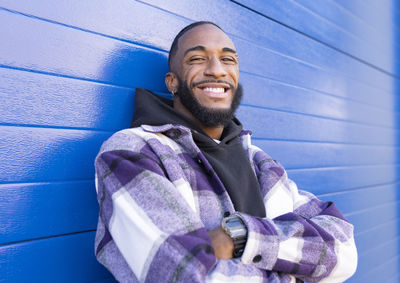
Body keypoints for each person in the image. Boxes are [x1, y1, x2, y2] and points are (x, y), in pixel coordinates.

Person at [94, 21, 357, 282]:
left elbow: (344, 249)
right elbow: (186, 275)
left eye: (228, 60)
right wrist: (296, 272)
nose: (217, 70)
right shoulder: (133, 152)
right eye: (197, 58)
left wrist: (242, 236)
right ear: (172, 82)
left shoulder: (259, 162)